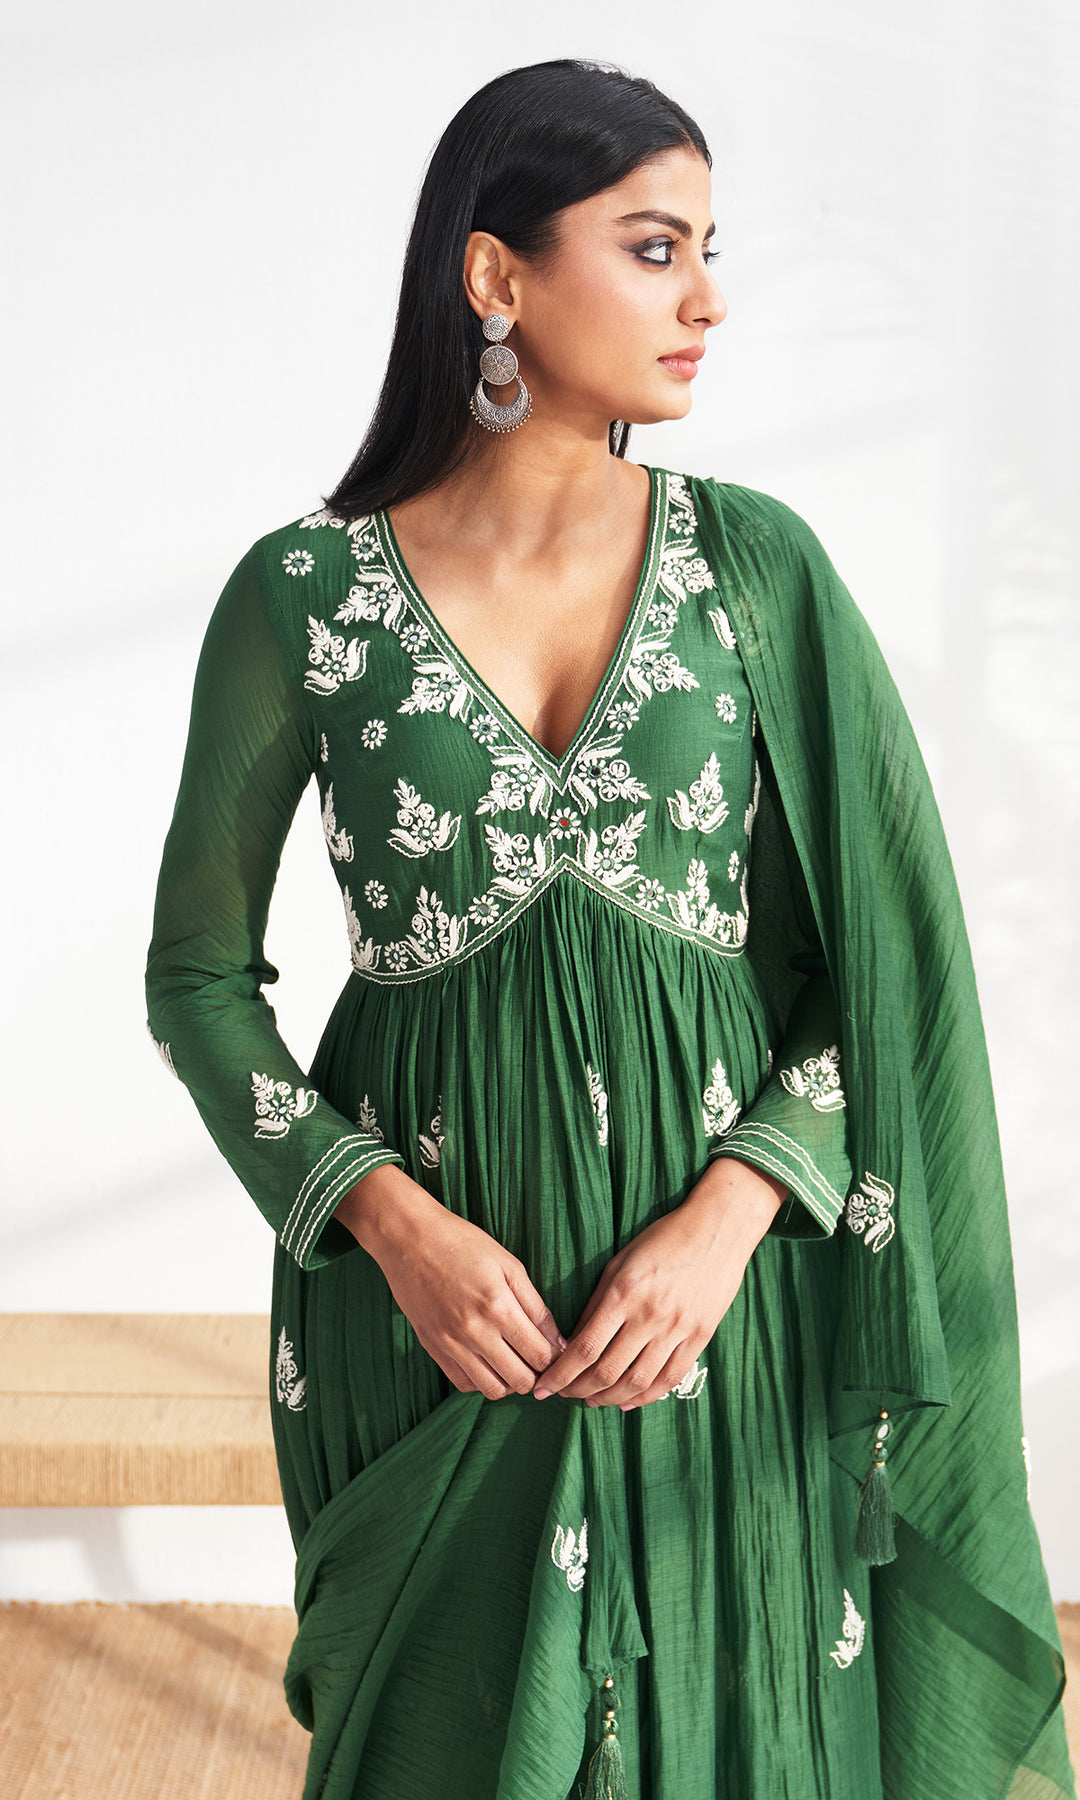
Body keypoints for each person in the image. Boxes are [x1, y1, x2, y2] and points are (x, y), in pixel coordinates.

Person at [144, 56, 1075, 1800]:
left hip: (720, 1322)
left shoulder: (757, 570)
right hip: (435, 1330)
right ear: (496, 276)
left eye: (712, 250)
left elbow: (876, 969)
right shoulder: (304, 596)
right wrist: (389, 1225)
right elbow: (197, 978)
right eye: (656, 248)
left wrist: (733, 1217)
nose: (707, 299)